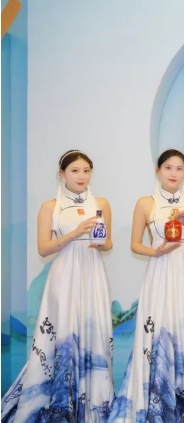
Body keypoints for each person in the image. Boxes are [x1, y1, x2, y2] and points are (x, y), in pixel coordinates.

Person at [1, 150, 114, 422]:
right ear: (62, 173)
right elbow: (43, 248)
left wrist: (101, 243)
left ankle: (93, 407)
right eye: (75, 170)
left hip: (93, 273)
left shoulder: (101, 204)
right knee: (61, 336)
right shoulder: (49, 207)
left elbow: (108, 243)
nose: (81, 176)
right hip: (63, 275)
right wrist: (75, 232)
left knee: (95, 334)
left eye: (86, 170)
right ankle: (57, 406)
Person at [109, 149, 184, 422]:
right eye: (168, 167)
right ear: (158, 170)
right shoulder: (145, 203)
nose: (173, 173)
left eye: (179, 169)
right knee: (157, 333)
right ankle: (153, 405)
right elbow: (135, 244)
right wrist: (156, 252)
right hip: (159, 269)